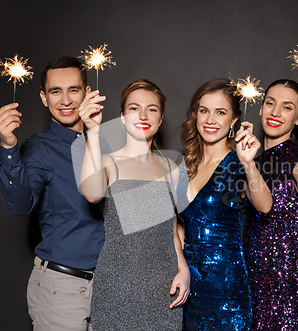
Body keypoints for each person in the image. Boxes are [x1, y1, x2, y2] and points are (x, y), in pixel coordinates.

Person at [0, 56, 107, 330]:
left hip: (107, 287)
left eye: (74, 90)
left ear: (87, 92)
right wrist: (8, 148)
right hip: (62, 288)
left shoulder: (104, 142)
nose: (65, 100)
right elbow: (20, 205)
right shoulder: (40, 148)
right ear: (44, 98)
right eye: (56, 91)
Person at [78, 79, 190, 330]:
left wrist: (184, 270)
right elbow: (91, 194)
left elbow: (171, 232)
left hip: (164, 290)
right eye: (134, 108)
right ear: (121, 117)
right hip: (117, 287)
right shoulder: (108, 162)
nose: (143, 115)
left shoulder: (172, 168)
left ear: (160, 119)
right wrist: (93, 131)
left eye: (152, 109)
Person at [177, 78, 273, 330]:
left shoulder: (239, 163)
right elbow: (176, 225)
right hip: (185, 284)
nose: (210, 119)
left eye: (220, 112)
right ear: (195, 115)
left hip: (225, 290)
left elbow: (264, 205)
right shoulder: (185, 164)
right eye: (204, 110)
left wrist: (249, 163)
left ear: (233, 121)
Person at [243, 79, 298, 330]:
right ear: (260, 108)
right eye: (270, 103)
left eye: (287, 107)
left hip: (289, 282)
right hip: (253, 278)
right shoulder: (251, 161)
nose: (276, 112)